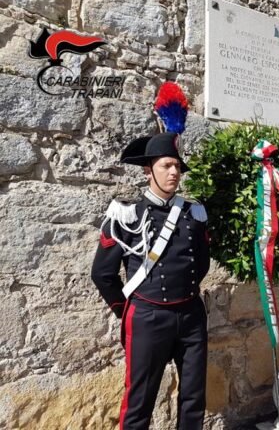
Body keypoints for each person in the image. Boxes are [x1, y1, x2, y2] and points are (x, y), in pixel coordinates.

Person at [91, 132, 210, 429]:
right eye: (166, 165)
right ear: (148, 170)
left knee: (194, 397)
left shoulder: (193, 213)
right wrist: (128, 311)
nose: (174, 172)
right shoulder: (127, 214)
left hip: (191, 314)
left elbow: (202, 263)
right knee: (139, 401)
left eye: (177, 167)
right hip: (147, 316)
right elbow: (103, 274)